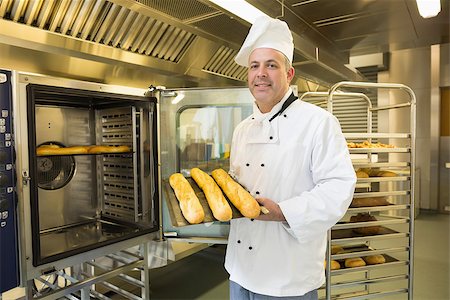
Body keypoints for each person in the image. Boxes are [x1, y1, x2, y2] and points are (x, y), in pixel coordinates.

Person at [226, 15, 357, 299]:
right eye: (254, 66)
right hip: (239, 270)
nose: (261, 73)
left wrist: (283, 212)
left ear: (289, 74)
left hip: (287, 275)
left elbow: (339, 188)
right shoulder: (242, 128)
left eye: (271, 65)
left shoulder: (319, 122)